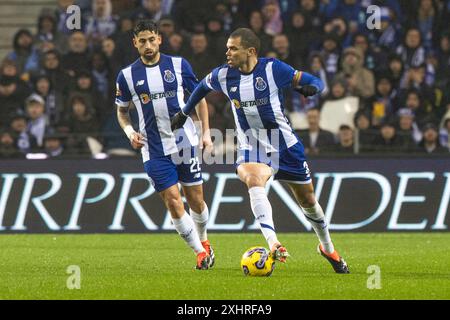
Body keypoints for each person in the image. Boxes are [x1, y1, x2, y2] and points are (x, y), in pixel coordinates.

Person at [172, 28, 349, 273]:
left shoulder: (273, 69)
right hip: (250, 146)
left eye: (233, 48)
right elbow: (202, 87)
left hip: (284, 145)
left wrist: (314, 88)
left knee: (308, 200)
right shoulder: (224, 75)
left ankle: (327, 247)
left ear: (251, 51)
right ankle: (273, 242)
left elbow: (311, 80)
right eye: (227, 47)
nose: (228, 52)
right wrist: (183, 112)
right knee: (254, 179)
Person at [115, 20, 214, 270]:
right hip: (153, 149)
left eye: (151, 39)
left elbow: (199, 97)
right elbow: (122, 112)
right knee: (172, 200)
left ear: (159, 39)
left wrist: (205, 133)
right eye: (142, 41)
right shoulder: (126, 76)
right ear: (134, 43)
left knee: (196, 201)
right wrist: (129, 132)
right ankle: (199, 252)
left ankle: (204, 239)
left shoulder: (179, 65)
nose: (147, 45)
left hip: (184, 143)